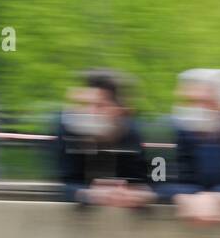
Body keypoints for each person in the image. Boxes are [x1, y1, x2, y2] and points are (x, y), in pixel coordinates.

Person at [160, 68, 220, 224]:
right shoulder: (169, 129)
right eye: (189, 101)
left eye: (205, 101)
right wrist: (186, 197)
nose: (196, 108)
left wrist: (219, 197)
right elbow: (159, 180)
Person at [53, 70, 154, 208]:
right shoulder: (67, 129)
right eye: (85, 104)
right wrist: (88, 194)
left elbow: (159, 181)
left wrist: (143, 194)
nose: (89, 112)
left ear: (120, 111)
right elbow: (61, 183)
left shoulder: (140, 134)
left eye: (99, 106)